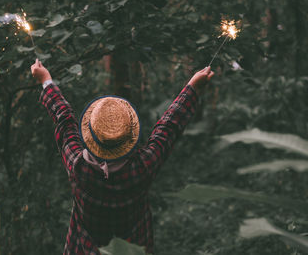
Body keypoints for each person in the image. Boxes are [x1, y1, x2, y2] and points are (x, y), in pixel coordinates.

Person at [31, 59, 214, 254]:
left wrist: (46, 80)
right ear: (129, 138)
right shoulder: (143, 166)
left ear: (91, 134)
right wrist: (193, 87)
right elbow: (169, 127)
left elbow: (64, 119)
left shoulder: (78, 167)